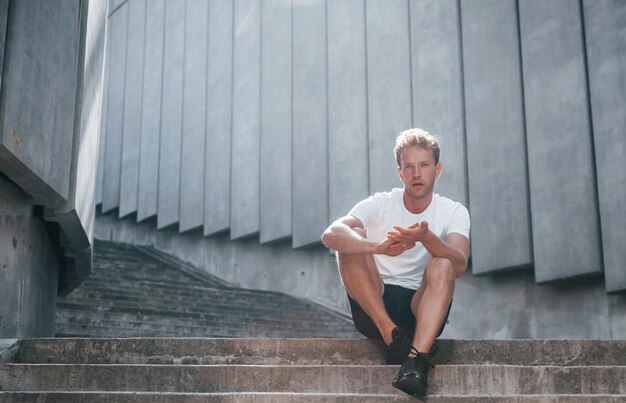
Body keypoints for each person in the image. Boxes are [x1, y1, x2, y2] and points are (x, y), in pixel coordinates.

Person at [321, 128, 470, 397]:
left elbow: (460, 264)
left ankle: (414, 362)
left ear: (438, 169)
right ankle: (392, 338)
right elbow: (331, 235)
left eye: (424, 165)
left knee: (444, 263)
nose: (416, 174)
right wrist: (377, 247)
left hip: (422, 309)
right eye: (408, 167)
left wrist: (427, 237)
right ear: (399, 172)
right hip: (375, 305)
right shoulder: (381, 203)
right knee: (351, 239)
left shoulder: (453, 211)